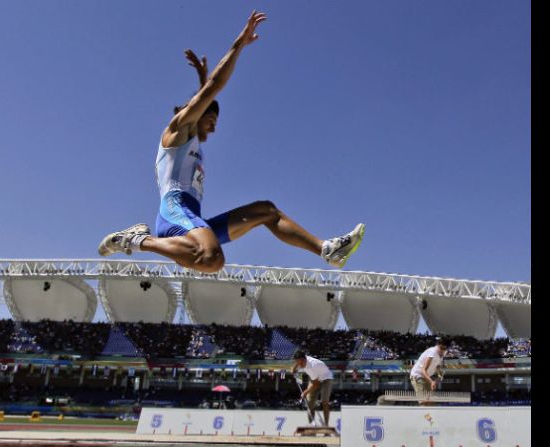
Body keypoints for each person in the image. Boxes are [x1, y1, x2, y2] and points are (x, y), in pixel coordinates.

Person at [98, 11, 365, 273]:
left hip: (194, 219)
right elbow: (212, 90)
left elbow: (206, 98)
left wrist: (202, 83)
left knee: (267, 211)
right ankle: (137, 240)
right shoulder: (177, 131)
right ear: (196, 115)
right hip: (175, 216)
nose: (214, 128)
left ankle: (327, 250)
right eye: (211, 120)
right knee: (212, 259)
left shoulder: (190, 139)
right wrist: (238, 45)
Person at [291, 349, 334, 426]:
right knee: (310, 403)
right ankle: (312, 424)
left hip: (326, 379)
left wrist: (305, 392)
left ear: (304, 359)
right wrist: (294, 369)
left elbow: (316, 384)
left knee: (324, 402)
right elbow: (297, 363)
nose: (300, 365)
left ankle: (326, 425)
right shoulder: (303, 358)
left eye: (301, 363)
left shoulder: (311, 366)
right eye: (298, 363)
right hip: (315, 378)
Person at [409, 337, 449, 405]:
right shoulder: (432, 352)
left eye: (445, 349)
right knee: (424, 401)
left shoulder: (444, 352)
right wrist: (432, 382)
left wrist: (439, 373)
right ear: (438, 345)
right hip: (417, 375)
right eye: (441, 348)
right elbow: (423, 370)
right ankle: (422, 414)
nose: (443, 351)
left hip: (426, 377)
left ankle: (430, 415)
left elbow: (437, 365)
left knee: (431, 401)